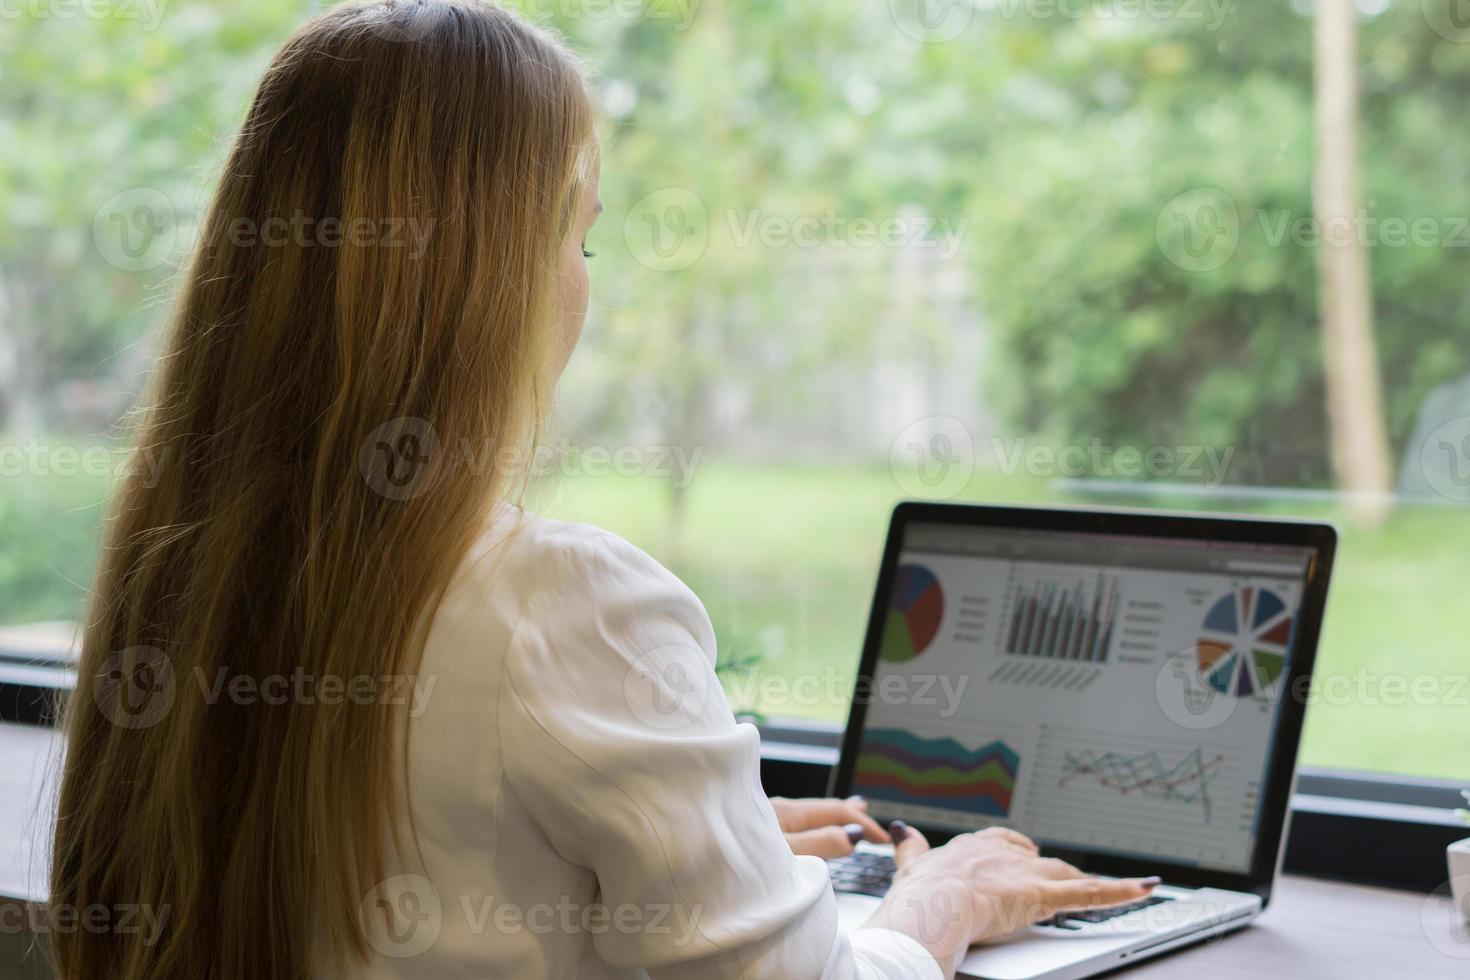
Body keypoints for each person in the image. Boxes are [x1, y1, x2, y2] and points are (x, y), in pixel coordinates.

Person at [48, 3, 1155, 978]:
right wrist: (940, 902)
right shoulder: (563, 605)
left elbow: (374, 836)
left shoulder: (170, 576)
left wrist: (697, 839)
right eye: (579, 234)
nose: (583, 282)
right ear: (493, 273)